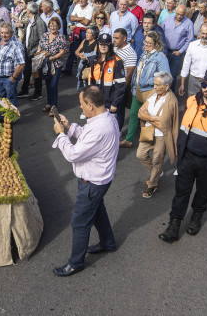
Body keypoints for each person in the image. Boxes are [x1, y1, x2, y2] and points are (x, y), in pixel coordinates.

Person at [158, 70, 207, 242]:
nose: (206, 89)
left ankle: (196, 218)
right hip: (187, 156)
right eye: (204, 85)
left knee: (203, 192)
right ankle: (174, 225)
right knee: (181, 192)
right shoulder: (191, 101)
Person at [51, 86, 118, 277]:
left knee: (80, 223)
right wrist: (69, 127)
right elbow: (86, 136)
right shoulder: (106, 118)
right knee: (97, 211)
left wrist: (60, 134)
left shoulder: (99, 128)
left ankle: (75, 263)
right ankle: (108, 242)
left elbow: (73, 154)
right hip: (101, 180)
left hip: (92, 183)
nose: (80, 108)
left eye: (81, 105)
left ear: (90, 105)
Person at [121, 31, 170, 148]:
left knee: (149, 118)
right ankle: (129, 140)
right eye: (145, 42)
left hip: (151, 91)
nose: (146, 44)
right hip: (137, 89)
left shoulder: (160, 57)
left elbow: (166, 76)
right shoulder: (144, 53)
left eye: (149, 43)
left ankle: (149, 142)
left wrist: (149, 82)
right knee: (133, 114)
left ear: (157, 44)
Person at [135, 71, 179, 199]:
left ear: (166, 86)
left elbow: (164, 124)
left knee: (157, 160)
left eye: (157, 85)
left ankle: (152, 185)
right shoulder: (152, 94)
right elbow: (140, 113)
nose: (154, 87)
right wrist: (154, 118)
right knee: (140, 154)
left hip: (162, 136)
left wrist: (148, 117)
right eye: (154, 84)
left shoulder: (172, 101)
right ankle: (155, 173)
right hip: (149, 132)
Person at [88, 33, 127, 126]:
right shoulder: (93, 60)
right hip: (97, 102)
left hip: (110, 103)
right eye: (101, 44)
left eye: (106, 44)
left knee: (110, 128)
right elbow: (91, 82)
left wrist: (115, 103)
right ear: (98, 44)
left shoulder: (117, 61)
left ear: (110, 45)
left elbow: (120, 85)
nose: (103, 47)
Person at [179, 24, 207, 97]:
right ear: (200, 32)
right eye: (203, 33)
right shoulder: (192, 45)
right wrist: (182, 84)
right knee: (192, 104)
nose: (205, 36)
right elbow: (186, 65)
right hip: (193, 80)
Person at [36, 17, 68, 116]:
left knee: (53, 85)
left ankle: (54, 107)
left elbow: (62, 52)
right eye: (51, 25)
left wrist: (51, 58)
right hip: (45, 65)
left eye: (55, 25)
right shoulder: (44, 35)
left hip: (56, 65)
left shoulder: (61, 37)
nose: (53, 27)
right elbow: (40, 47)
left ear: (59, 26)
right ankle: (49, 103)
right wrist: (39, 55)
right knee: (48, 84)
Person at [0, 21, 25, 108]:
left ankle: (10, 119)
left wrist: (13, 78)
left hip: (8, 78)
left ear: (12, 33)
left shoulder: (16, 45)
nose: (3, 35)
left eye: (6, 33)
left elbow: (21, 64)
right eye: (1, 32)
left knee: (10, 101)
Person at [18, 2, 48, 99]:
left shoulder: (39, 22)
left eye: (27, 8)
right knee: (26, 71)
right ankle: (24, 90)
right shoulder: (30, 21)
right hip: (28, 50)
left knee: (36, 73)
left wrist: (38, 51)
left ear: (29, 10)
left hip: (35, 52)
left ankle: (38, 92)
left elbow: (43, 38)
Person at [162, 4, 194, 91]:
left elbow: (189, 40)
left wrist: (181, 51)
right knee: (162, 74)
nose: (179, 16)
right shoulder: (168, 19)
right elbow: (161, 32)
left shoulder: (189, 24)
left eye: (182, 15)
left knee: (172, 75)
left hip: (176, 53)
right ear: (175, 12)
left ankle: (170, 94)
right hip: (164, 51)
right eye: (178, 14)